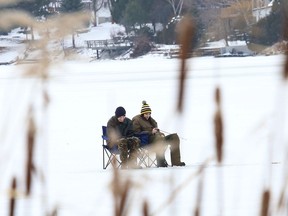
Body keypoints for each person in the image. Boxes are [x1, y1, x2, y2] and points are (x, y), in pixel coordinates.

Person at [132, 101, 186, 167]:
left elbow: (157, 132)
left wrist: (160, 133)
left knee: (174, 137)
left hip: (158, 138)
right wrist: (150, 132)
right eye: (146, 114)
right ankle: (161, 162)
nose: (148, 116)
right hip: (147, 141)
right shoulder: (136, 120)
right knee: (159, 139)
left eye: (149, 114)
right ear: (142, 113)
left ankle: (176, 162)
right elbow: (136, 133)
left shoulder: (152, 121)